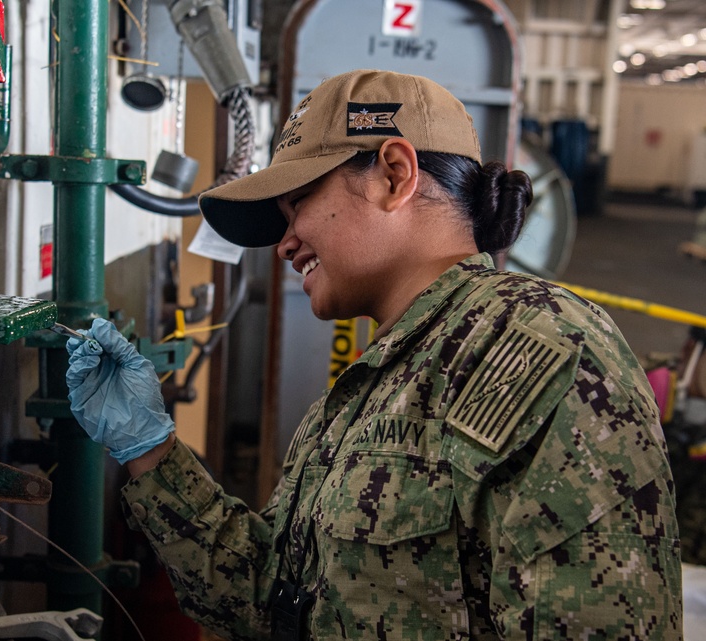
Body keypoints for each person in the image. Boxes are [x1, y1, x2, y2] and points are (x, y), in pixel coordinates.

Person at [65, 69, 683, 640]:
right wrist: (149, 449)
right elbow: (269, 597)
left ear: (394, 173)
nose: (284, 245)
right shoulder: (378, 378)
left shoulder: (541, 350)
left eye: (297, 205)